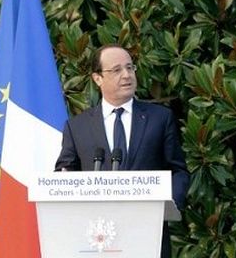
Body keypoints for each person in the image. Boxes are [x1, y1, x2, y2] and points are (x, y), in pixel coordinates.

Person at [55, 44, 189, 258]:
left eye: (130, 67)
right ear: (97, 78)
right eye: (116, 70)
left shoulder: (160, 118)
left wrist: (170, 203)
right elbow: (65, 172)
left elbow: (178, 170)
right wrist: (63, 183)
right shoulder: (77, 126)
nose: (126, 75)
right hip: (95, 240)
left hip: (147, 236)